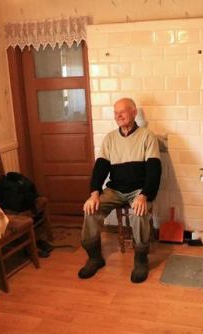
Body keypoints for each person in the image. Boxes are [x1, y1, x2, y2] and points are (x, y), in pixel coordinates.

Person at [78, 98, 162, 283]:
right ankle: (95, 258)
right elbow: (100, 169)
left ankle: (141, 260)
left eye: (123, 112)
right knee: (90, 210)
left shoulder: (147, 136)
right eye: (116, 113)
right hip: (115, 190)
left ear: (134, 113)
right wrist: (94, 194)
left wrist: (144, 195)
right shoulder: (110, 138)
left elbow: (154, 171)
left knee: (139, 213)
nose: (118, 116)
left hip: (139, 190)